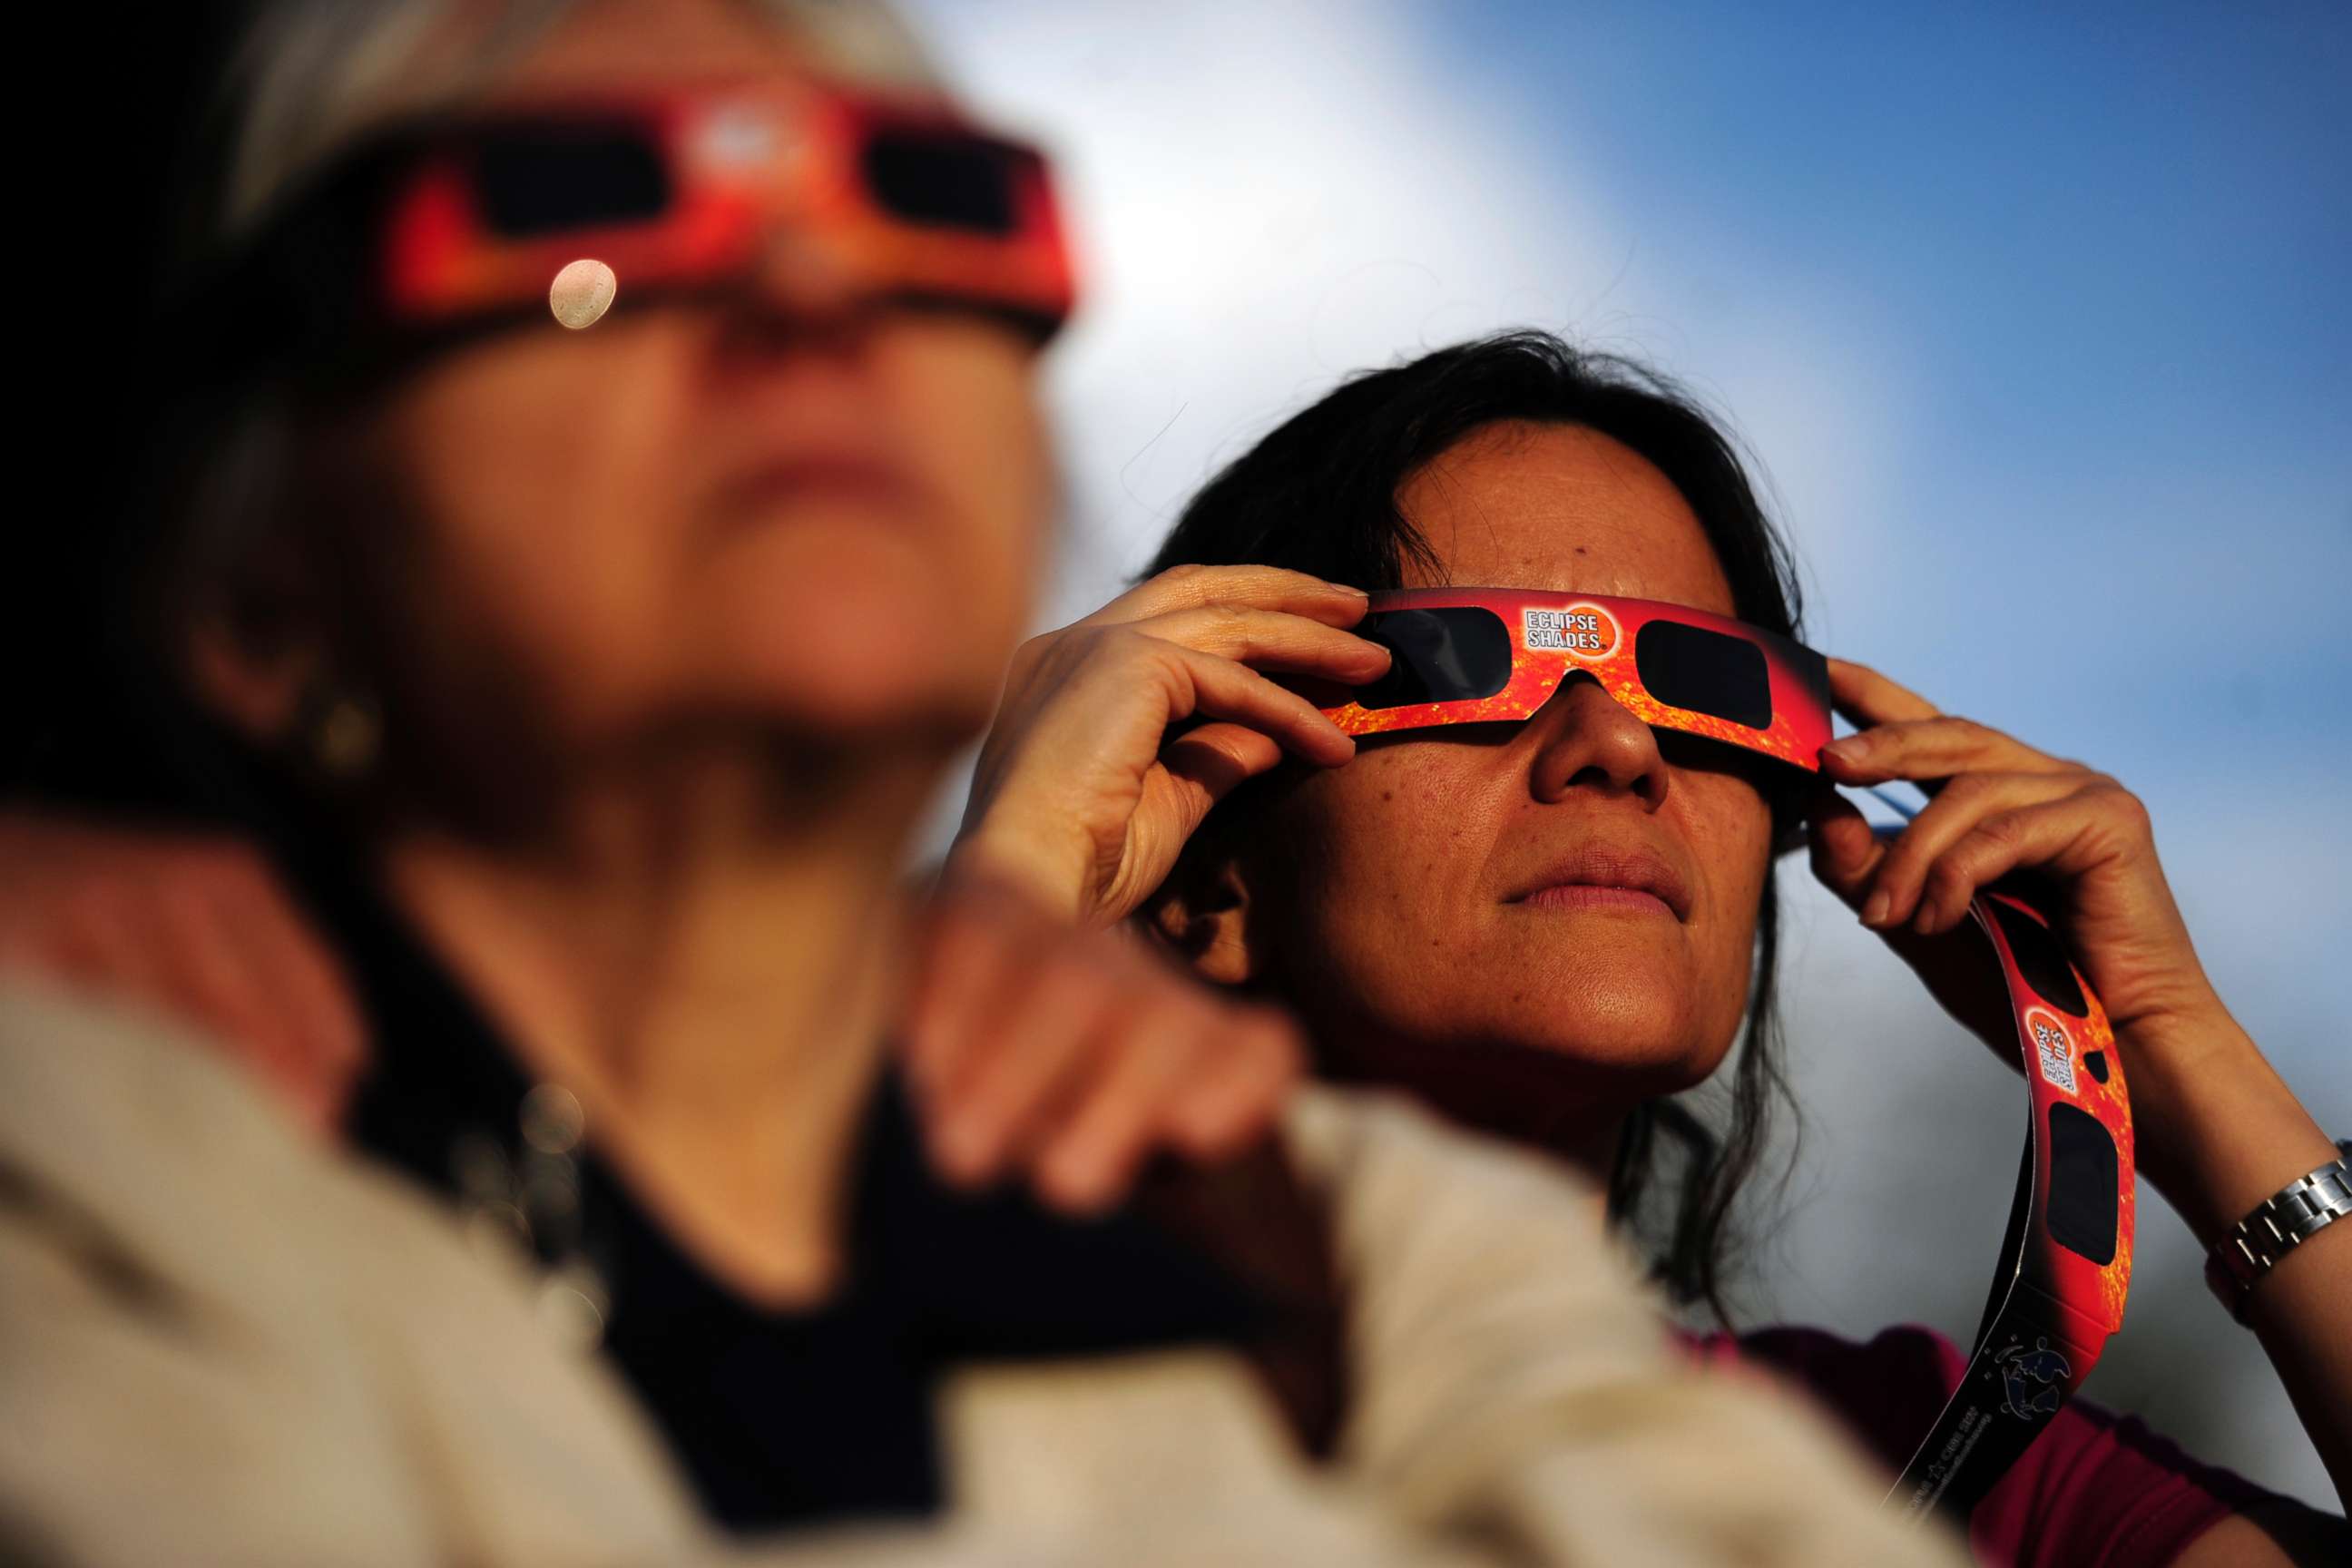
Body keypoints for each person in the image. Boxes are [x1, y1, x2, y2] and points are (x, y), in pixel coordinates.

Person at [0, 4, 1962, 1563]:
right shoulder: (88, 1179)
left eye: (921, 205)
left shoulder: (1374, 1250)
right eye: (578, 214)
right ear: (254, 575)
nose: (807, 293)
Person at [941, 331, 2352, 1565]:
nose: (1616, 746)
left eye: (1702, 691)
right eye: (1465, 666)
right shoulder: (965, 1396)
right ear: (1210, 882)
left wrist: (2171, 1053)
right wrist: (1012, 891)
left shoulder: (1929, 1467)